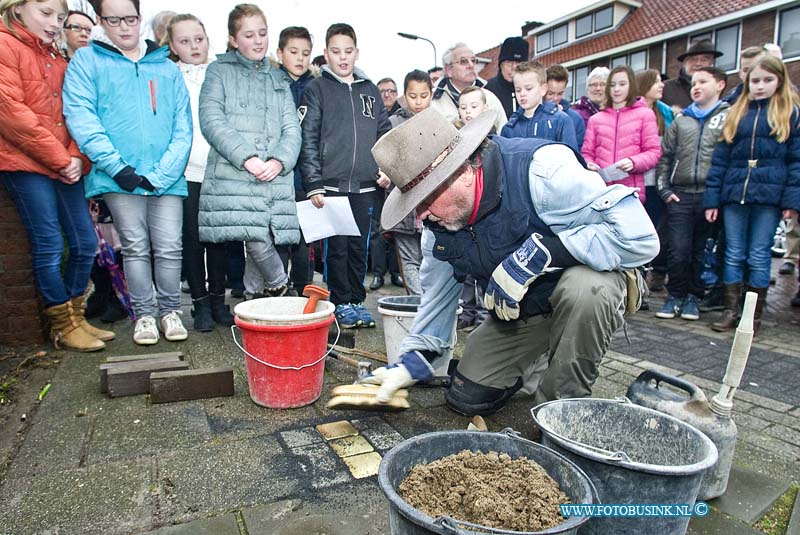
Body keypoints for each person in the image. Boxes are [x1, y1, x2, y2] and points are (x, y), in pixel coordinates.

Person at [361, 108, 658, 412]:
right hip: (528, 310)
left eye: (424, 199)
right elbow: (437, 301)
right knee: (467, 395)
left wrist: (540, 255)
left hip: (585, 291)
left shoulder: (544, 172)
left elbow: (640, 238)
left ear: (462, 172)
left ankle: (564, 410)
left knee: (587, 289)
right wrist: (411, 363)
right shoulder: (437, 226)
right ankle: (539, 358)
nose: (420, 215)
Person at [64, 0, 192, 346]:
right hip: (118, 177)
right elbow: (81, 117)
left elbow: (183, 125)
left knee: (169, 247)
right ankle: (145, 315)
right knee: (135, 247)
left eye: (130, 18)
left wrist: (164, 173)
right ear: (102, 20)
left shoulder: (165, 66)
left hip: (165, 177)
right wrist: (118, 167)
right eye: (114, 19)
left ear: (140, 18)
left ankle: (170, 312)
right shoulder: (87, 61)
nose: (123, 26)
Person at [0, 0, 112, 352]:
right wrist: (60, 159)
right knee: (48, 244)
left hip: (66, 163)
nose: (54, 23)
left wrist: (77, 156)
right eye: (46, 14)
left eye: (60, 17)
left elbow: (76, 109)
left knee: (85, 242)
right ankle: (62, 325)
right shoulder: (5, 45)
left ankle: (76, 316)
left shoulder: (56, 55)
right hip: (26, 165)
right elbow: (12, 113)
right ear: (17, 9)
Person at [198, 4, 301, 305]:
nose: (258, 41)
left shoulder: (278, 77)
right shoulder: (219, 71)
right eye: (249, 34)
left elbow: (291, 128)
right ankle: (283, 289)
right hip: (236, 173)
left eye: (263, 33)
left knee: (263, 237)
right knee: (255, 237)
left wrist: (280, 160)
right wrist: (247, 158)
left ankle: (255, 304)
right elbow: (211, 120)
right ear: (233, 39)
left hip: (274, 174)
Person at [299, 22, 391, 329]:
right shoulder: (317, 89)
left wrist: (386, 169)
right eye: (335, 51)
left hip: (366, 188)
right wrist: (313, 183)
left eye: (348, 51)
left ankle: (357, 301)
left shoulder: (371, 90)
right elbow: (308, 138)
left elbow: (384, 135)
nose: (342, 58)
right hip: (330, 186)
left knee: (359, 247)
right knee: (335, 248)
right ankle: (339, 302)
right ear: (325, 54)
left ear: (357, 52)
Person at [704, 55, 800, 331]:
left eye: (767, 80)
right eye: (755, 80)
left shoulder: (789, 113)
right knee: (733, 253)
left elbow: (796, 160)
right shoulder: (737, 112)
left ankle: (752, 316)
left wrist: (791, 200)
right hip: (735, 193)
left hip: (769, 196)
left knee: (758, 255)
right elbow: (720, 159)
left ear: (779, 81)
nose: (760, 86)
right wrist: (713, 198)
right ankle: (730, 310)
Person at [165, 13, 234, 332]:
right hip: (187, 170)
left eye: (199, 39)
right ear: (172, 45)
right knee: (193, 240)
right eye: (184, 41)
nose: (193, 46)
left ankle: (219, 301)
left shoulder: (223, 73)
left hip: (220, 169)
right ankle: (199, 304)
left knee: (218, 240)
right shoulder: (170, 75)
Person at [655, 67, 730, 321]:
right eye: (694, 82)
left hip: (709, 195)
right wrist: (665, 190)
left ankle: (693, 298)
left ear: (720, 85)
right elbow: (665, 157)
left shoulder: (728, 118)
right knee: (678, 250)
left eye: (703, 82)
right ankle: (674, 295)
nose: (696, 87)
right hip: (681, 194)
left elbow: (727, 160)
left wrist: (718, 197)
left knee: (701, 250)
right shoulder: (681, 120)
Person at [382, 69, 433, 295]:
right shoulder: (392, 123)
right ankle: (418, 306)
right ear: (405, 95)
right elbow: (383, 156)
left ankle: (431, 304)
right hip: (402, 203)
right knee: (409, 259)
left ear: (431, 94)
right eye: (413, 96)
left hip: (432, 204)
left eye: (424, 95)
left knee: (431, 259)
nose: (419, 101)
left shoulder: (438, 122)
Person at [582, 66, 662, 204]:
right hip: (601, 191)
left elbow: (654, 151)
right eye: (612, 85)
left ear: (631, 85)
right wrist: (590, 164)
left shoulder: (645, 114)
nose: (617, 89)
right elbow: (587, 152)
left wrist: (634, 162)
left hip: (631, 192)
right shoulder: (596, 119)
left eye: (622, 84)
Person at [275, 25, 315, 296]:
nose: (300, 58)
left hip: (306, 177)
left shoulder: (316, 87)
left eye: (306, 53)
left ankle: (304, 291)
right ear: (279, 53)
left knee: (304, 240)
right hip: (276, 177)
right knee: (277, 238)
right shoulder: (270, 84)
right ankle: (277, 289)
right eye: (293, 52)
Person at [635, 69, 675, 294]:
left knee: (657, 233)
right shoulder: (635, 112)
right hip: (639, 183)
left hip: (659, 182)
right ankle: (638, 282)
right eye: (656, 82)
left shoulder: (666, 113)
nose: (661, 85)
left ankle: (653, 276)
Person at [430, 42, 506, 132]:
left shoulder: (489, 97)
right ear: (449, 70)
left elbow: (504, 133)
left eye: (473, 60)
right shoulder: (434, 103)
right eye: (463, 61)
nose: (471, 65)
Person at [501, 62, 577, 151]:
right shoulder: (509, 128)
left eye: (528, 88)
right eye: (518, 90)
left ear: (543, 89)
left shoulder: (561, 121)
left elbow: (571, 159)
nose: (522, 94)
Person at [663, 39, 722, 111]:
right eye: (692, 59)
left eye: (704, 60)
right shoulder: (665, 89)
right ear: (684, 63)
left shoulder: (719, 89)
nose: (698, 64)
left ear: (711, 63)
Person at [484, 36, 528, 118]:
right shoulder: (487, 90)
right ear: (501, 65)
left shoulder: (531, 90)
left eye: (518, 63)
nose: (514, 67)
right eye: (509, 62)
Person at [545, 64, 586, 149]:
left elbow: (577, 153)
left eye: (560, 93)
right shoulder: (534, 115)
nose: (555, 98)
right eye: (550, 93)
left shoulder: (576, 119)